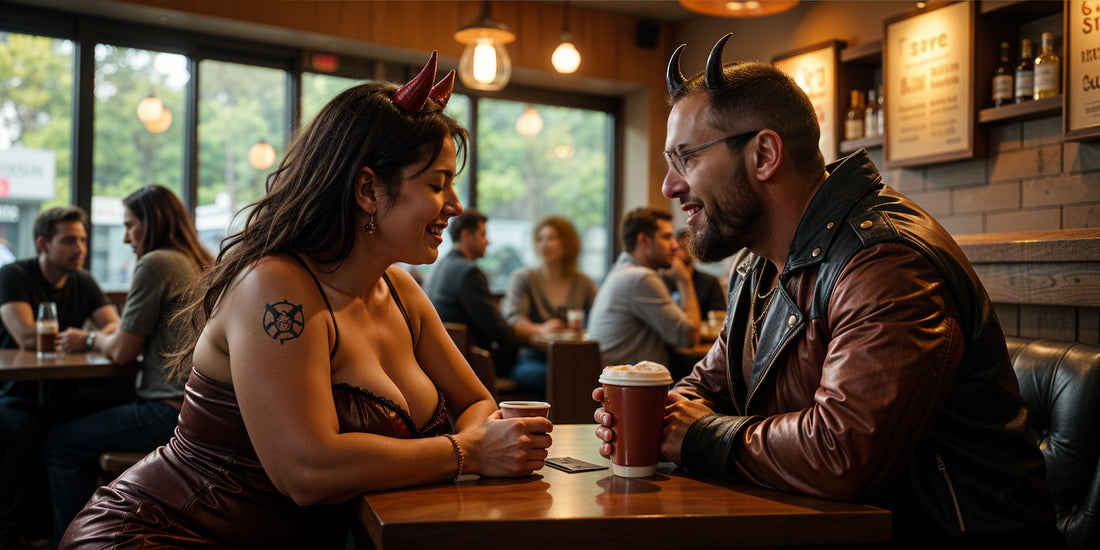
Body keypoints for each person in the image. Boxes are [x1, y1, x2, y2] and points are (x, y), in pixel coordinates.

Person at [62, 52, 551, 549]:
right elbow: (307, 471)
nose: (456, 205)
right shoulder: (273, 286)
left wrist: (476, 442)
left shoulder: (401, 291)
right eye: (437, 183)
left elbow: (476, 402)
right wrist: (466, 451)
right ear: (367, 188)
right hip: (159, 534)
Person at [593, 34, 1060, 546]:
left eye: (686, 159)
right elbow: (706, 390)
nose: (669, 186)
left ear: (764, 154)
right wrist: (656, 417)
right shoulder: (759, 266)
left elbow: (842, 454)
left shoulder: (885, 262)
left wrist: (697, 435)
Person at [42, 184, 212, 546]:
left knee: (59, 442)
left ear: (152, 224)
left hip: (166, 410)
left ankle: (67, 541)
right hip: (197, 410)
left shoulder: (157, 262)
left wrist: (87, 338)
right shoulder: (196, 259)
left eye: (130, 225)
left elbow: (121, 350)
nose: (125, 238)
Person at [0, 207, 122, 550]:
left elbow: (113, 326)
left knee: (68, 429)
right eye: (69, 240)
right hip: (13, 392)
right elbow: (26, 336)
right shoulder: (14, 275)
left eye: (82, 240)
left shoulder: (83, 280)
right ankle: (9, 537)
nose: (79, 248)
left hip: (60, 392)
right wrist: (84, 337)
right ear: (42, 243)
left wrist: (88, 337)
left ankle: (67, 537)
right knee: (21, 428)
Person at [425, 208, 537, 374]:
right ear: (466, 236)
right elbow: (500, 333)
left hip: (442, 363)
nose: (488, 242)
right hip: (470, 367)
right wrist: (537, 330)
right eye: (483, 235)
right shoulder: (468, 272)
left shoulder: (441, 266)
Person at [587, 207, 700, 369]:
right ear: (644, 241)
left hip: (618, 382)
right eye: (667, 237)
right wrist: (684, 281)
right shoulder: (640, 278)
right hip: (632, 386)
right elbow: (688, 338)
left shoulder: (620, 271)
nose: (675, 246)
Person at [501, 216, 598, 395]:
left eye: (551, 238)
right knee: (564, 378)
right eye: (540, 239)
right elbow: (514, 319)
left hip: (574, 359)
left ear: (568, 243)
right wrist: (541, 328)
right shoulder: (524, 278)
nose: (544, 244)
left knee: (585, 375)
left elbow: (600, 319)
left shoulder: (584, 283)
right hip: (533, 360)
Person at [664, 227, 725, 317]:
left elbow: (719, 317)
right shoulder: (662, 280)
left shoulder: (710, 282)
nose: (684, 251)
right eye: (680, 247)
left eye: (686, 246)